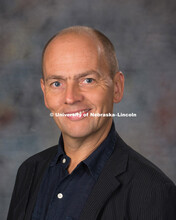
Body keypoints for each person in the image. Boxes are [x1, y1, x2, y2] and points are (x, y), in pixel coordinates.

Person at [7, 26, 176, 220]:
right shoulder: (29, 172)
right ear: (45, 93)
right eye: (57, 83)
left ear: (117, 88)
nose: (71, 98)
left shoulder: (153, 192)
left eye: (87, 80)